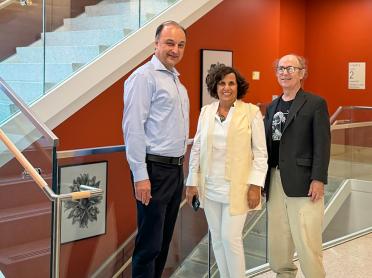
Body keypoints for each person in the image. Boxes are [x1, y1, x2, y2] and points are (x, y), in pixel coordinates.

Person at [186, 64, 268, 278]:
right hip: (210, 186)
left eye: (231, 83)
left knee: (231, 238)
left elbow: (261, 154)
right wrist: (191, 182)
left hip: (238, 188)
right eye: (222, 83)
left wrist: (255, 186)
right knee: (218, 238)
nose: (227, 88)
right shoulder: (206, 112)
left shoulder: (251, 112)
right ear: (215, 86)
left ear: (238, 86)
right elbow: (196, 148)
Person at [122, 21, 189, 278]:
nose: (175, 49)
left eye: (181, 45)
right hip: (153, 170)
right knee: (149, 246)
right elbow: (133, 128)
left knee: (163, 242)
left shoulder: (177, 83)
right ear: (156, 43)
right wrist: (140, 175)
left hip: (174, 170)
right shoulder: (143, 77)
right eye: (170, 43)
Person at [264, 54, 331, 278]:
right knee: (278, 239)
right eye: (281, 69)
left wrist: (318, 178)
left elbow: (322, 144)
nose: (284, 72)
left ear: (302, 73)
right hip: (274, 180)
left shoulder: (315, 103)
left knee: (307, 240)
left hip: (304, 182)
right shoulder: (272, 106)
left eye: (290, 68)